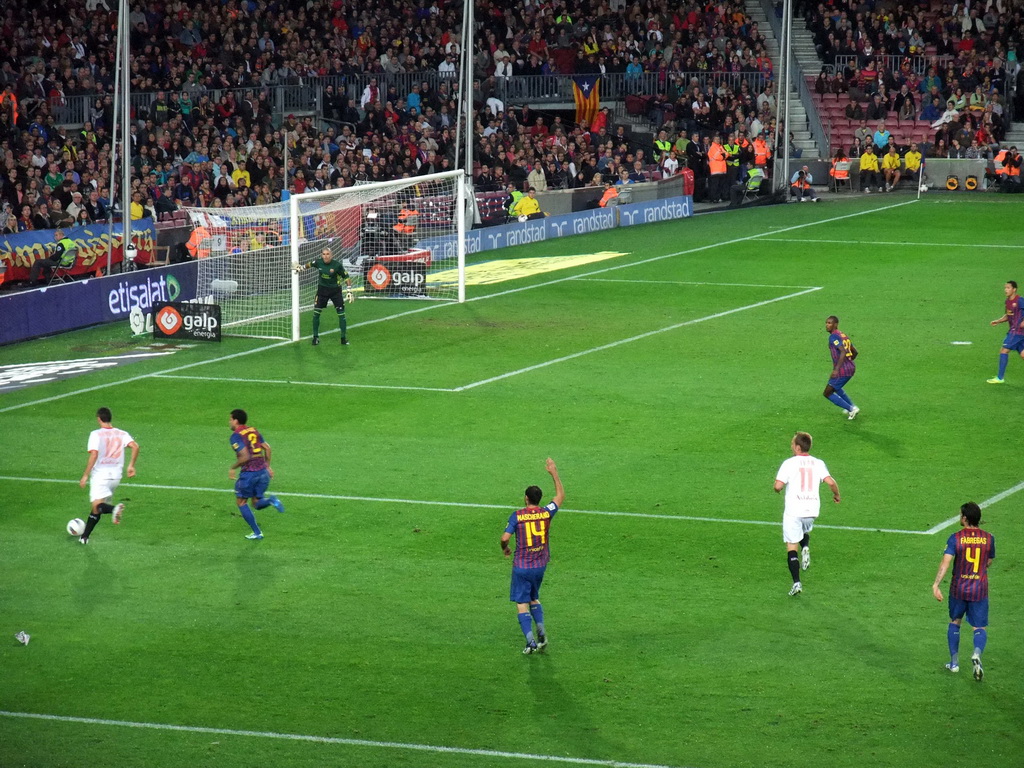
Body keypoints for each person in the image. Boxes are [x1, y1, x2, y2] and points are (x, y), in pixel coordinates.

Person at [500, 458, 565, 654]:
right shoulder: (546, 513)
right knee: (534, 598)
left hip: (522, 566)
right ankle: (542, 633)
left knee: (522, 603)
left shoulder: (517, 516)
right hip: (540, 565)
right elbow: (560, 496)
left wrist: (505, 547)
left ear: (526, 498)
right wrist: (554, 473)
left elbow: (504, 538)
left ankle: (530, 642)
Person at [932, 501, 995, 680]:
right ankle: (976, 653)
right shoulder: (989, 538)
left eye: (960, 515)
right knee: (979, 626)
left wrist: (936, 584)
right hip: (979, 590)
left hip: (959, 589)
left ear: (965, 518)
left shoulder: (956, 538)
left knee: (955, 621)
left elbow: (946, 562)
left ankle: (954, 663)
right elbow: (988, 562)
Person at [773, 432, 840, 596]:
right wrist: (836, 495)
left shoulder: (789, 463)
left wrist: (778, 489)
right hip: (812, 509)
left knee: (791, 545)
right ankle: (807, 546)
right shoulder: (818, 463)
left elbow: (778, 486)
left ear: (797, 447)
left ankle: (796, 583)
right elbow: (831, 482)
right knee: (804, 529)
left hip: (794, 510)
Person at [78, 407, 139, 544]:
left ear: (99, 419)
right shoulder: (122, 433)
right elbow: (135, 446)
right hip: (116, 477)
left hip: (101, 476)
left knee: (98, 506)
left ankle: (113, 509)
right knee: (97, 508)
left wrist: (85, 475)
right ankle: (84, 537)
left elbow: (94, 454)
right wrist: (131, 466)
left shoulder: (95, 434)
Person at [228, 409, 284, 540]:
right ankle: (271, 501)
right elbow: (267, 448)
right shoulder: (253, 430)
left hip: (249, 474)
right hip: (263, 473)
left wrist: (233, 468)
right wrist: (268, 466)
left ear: (236, 420)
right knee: (256, 502)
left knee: (241, 502)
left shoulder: (236, 436)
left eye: (230, 419)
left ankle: (257, 532)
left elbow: (245, 456)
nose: (229, 422)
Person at [294, 246, 353, 346]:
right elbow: (310, 264)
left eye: (327, 254)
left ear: (332, 255)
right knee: (316, 313)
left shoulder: (337, 265)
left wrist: (349, 290)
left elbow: (346, 276)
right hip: (322, 291)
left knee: (341, 314)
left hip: (335, 292)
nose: (325, 256)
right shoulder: (318, 262)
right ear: (321, 255)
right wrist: (302, 268)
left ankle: (343, 338)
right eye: (324, 254)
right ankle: (315, 338)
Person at [987, 280, 1024, 383]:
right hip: (1017, 332)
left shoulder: (1020, 300)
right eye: (1005, 288)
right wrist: (998, 321)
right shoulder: (1007, 301)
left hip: (1016, 332)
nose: (1006, 290)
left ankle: (1000, 378)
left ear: (1014, 289)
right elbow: (1008, 315)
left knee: (1004, 350)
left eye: (1008, 288)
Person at [824, 315, 859, 419]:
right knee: (836, 387)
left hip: (842, 370)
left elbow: (843, 351)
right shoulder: (843, 335)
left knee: (827, 392)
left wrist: (837, 369)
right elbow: (855, 352)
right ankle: (852, 407)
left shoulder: (834, 337)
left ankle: (851, 409)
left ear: (836, 324)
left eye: (829, 323)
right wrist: (849, 362)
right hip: (849, 367)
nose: (827, 325)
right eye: (826, 323)